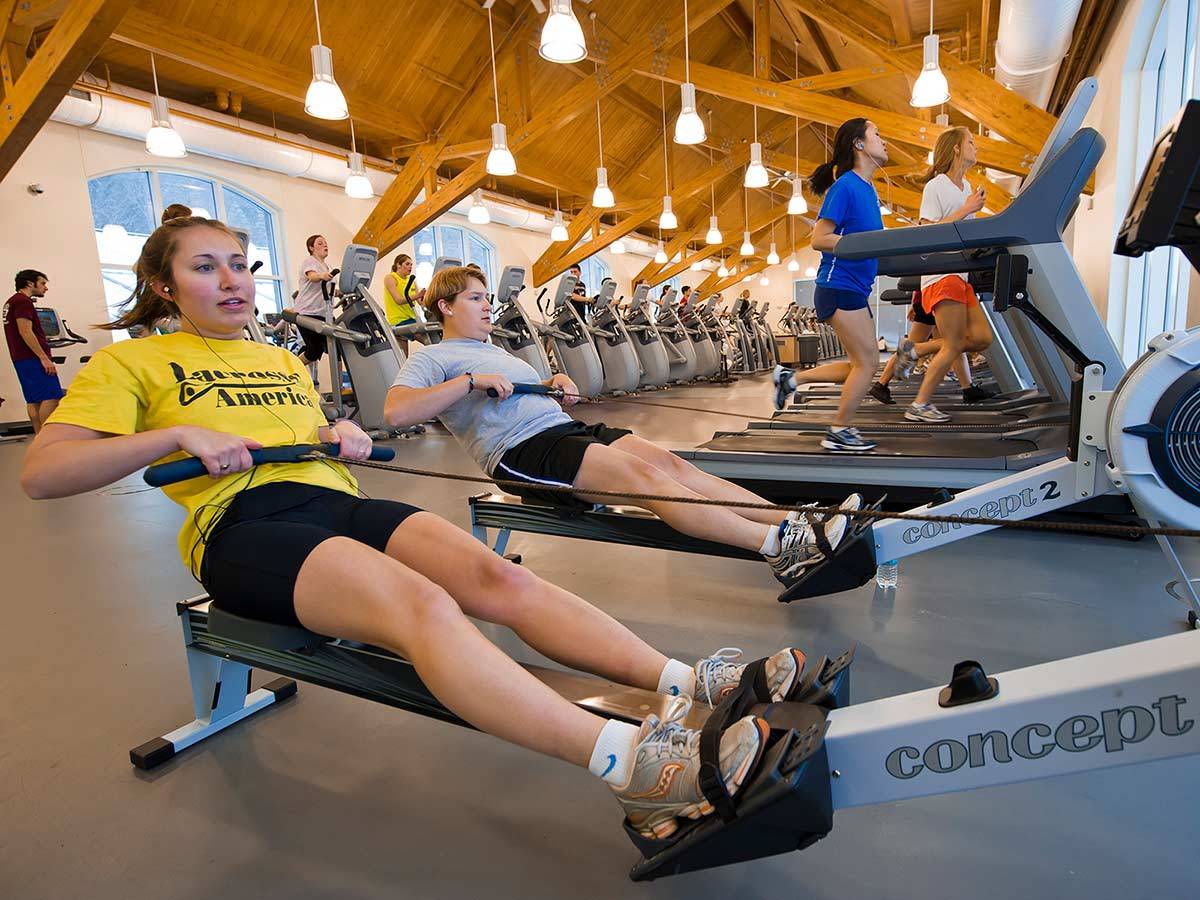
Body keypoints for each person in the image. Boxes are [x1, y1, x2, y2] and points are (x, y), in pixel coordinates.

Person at [20, 215, 814, 841]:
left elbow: (337, 434)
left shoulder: (280, 362)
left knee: (501, 579)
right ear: (163, 285)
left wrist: (345, 435)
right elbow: (44, 474)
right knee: (422, 609)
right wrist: (174, 437)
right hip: (242, 527)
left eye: (238, 263)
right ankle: (634, 768)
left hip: (333, 502)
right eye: (205, 266)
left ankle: (684, 682)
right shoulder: (133, 365)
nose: (230, 279)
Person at [385, 266, 860, 588]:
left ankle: (796, 521)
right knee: (649, 483)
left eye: (488, 298)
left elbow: (530, 391)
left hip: (562, 429)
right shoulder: (433, 356)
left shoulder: (496, 351)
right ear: (446, 307)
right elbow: (396, 412)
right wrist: (469, 382)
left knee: (675, 466)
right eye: (475, 298)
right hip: (521, 454)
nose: (488, 306)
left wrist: (555, 383)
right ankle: (778, 549)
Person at [772, 118, 888, 452]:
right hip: (839, 285)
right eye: (877, 134)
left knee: (859, 364)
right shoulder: (846, 187)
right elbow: (819, 238)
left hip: (854, 287)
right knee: (868, 364)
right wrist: (860, 248)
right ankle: (839, 431)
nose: (884, 141)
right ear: (859, 144)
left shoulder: (867, 189)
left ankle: (790, 379)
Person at [888, 127, 995, 422]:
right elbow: (928, 230)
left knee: (982, 338)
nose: (976, 146)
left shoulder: (966, 187)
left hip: (962, 275)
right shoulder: (936, 186)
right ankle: (919, 405)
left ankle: (917, 350)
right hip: (941, 274)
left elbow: (964, 232)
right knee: (954, 343)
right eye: (970, 142)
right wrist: (967, 209)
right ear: (957, 149)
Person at [3, 269, 64, 433]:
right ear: (30, 283)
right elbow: (25, 331)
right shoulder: (23, 302)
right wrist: (43, 358)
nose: (46, 288)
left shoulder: (11, 302)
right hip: (33, 358)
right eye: (43, 283)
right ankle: (47, 438)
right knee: (52, 397)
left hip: (20, 358)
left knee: (34, 399)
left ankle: (39, 438)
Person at [289, 234, 336, 368]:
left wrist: (340, 292)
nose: (325, 245)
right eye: (320, 243)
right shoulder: (310, 262)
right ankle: (290, 370)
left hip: (324, 313)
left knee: (337, 348)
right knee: (314, 351)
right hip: (308, 312)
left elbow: (328, 287)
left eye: (325, 243)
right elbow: (312, 276)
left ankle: (340, 388)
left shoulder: (327, 266)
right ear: (311, 248)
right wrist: (321, 276)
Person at [383, 253, 426, 353]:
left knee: (403, 357)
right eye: (407, 264)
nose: (410, 267)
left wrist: (428, 296)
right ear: (398, 265)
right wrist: (417, 295)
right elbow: (398, 300)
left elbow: (420, 302)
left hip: (412, 318)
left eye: (411, 264)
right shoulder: (390, 278)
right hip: (398, 321)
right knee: (429, 340)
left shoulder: (411, 280)